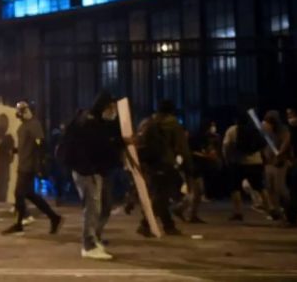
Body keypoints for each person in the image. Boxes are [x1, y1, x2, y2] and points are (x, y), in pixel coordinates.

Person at [57, 91, 124, 260]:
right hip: (86, 171)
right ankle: (89, 245)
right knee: (92, 208)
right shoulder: (89, 123)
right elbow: (97, 147)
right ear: (104, 107)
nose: (113, 111)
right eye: (111, 108)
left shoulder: (91, 121)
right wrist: (90, 168)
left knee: (97, 207)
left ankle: (92, 240)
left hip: (88, 170)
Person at [2, 101, 63, 236]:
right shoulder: (24, 125)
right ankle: (54, 217)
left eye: (22, 110)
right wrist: (16, 150)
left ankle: (19, 224)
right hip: (23, 163)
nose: (19, 113)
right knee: (30, 195)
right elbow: (27, 144)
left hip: (28, 166)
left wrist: (40, 164)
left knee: (19, 194)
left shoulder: (34, 124)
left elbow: (40, 143)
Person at [135, 99, 187, 237]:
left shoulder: (146, 122)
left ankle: (169, 226)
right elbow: (181, 146)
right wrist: (187, 165)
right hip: (165, 162)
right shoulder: (173, 123)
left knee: (160, 194)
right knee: (162, 195)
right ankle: (145, 224)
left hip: (149, 163)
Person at [223, 111, 276, 221]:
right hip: (256, 162)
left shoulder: (232, 130)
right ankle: (270, 209)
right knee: (260, 187)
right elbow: (263, 145)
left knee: (235, 188)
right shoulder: (255, 130)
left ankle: (238, 212)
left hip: (238, 162)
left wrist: (227, 159)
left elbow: (226, 146)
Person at [174, 121, 219, 224]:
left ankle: (184, 210)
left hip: (196, 168)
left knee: (198, 192)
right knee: (194, 193)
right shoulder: (196, 138)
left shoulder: (206, 139)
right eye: (211, 126)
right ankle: (185, 211)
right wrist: (206, 156)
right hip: (191, 168)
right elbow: (192, 152)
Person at [262, 110, 290, 220]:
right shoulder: (266, 131)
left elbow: (286, 142)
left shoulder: (283, 130)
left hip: (279, 162)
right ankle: (276, 211)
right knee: (270, 188)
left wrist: (280, 153)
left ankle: (290, 210)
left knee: (280, 188)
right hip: (268, 162)